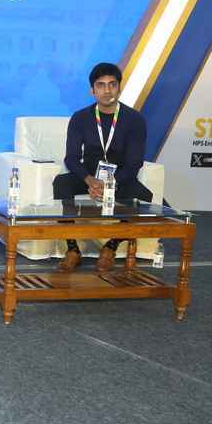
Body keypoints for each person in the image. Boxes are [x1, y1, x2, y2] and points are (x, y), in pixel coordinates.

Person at [54, 62, 152, 273]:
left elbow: (135, 161)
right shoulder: (80, 118)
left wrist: (110, 184)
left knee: (143, 196)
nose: (107, 90)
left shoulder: (135, 119)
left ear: (119, 87)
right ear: (93, 90)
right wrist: (89, 180)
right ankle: (72, 249)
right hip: (88, 176)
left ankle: (111, 247)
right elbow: (71, 158)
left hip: (121, 178)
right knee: (61, 184)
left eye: (112, 84)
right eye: (101, 85)